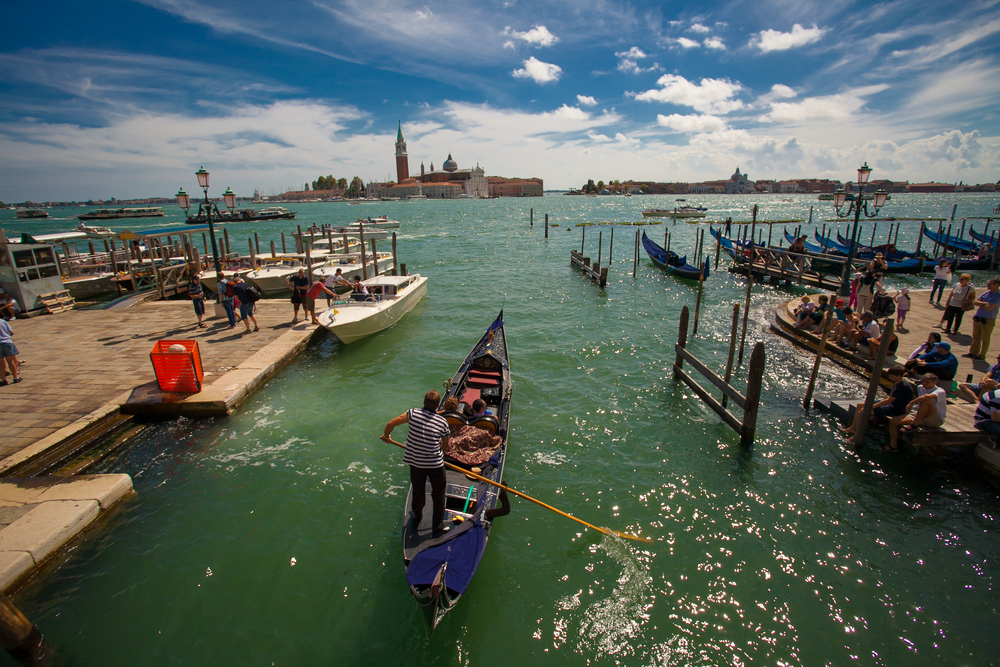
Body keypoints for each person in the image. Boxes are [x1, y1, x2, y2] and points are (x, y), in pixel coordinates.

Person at [382, 390, 452, 536]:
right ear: (438, 405)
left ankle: (417, 514)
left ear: (423, 402)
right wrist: (442, 455)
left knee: (418, 490)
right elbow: (446, 444)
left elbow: (391, 423)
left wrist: (387, 436)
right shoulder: (442, 422)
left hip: (415, 462)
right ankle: (437, 528)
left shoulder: (413, 413)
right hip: (435, 464)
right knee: (438, 493)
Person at [839, 366, 912, 441]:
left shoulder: (903, 386)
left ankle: (856, 436)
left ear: (899, 376)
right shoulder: (897, 382)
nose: (890, 378)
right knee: (860, 405)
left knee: (862, 412)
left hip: (896, 408)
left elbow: (889, 401)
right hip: (891, 403)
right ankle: (852, 428)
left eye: (892, 377)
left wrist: (872, 407)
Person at [886, 374, 947, 451]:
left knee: (925, 401)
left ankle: (914, 425)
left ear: (934, 383)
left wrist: (911, 403)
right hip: (920, 415)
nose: (924, 383)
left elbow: (926, 397)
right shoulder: (920, 387)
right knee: (894, 421)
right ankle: (893, 445)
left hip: (935, 419)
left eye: (927, 382)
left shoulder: (940, 391)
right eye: (923, 381)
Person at [968, 278, 1000, 359]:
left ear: (996, 285)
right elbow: (975, 302)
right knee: (976, 337)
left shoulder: (998, 295)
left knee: (985, 338)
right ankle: (973, 352)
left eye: (990, 284)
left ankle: (982, 355)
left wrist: (981, 304)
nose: (987, 285)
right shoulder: (986, 293)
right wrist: (985, 303)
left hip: (988, 319)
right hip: (978, 317)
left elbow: (990, 307)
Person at [0, 317, 22, 385]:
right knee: (10, 360)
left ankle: (3, 380)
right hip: (7, 342)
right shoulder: (2, 321)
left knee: (0, 363)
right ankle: (15, 378)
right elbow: (11, 332)